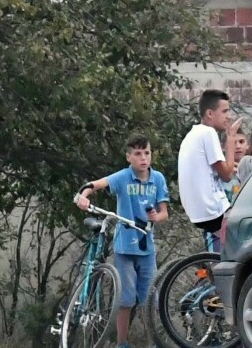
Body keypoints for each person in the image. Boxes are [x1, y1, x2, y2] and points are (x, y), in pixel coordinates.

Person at [75, 134, 169, 348]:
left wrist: (157, 217)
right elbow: (95, 184)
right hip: (124, 248)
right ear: (129, 157)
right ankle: (122, 343)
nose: (143, 158)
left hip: (147, 249)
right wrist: (84, 194)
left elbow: (164, 213)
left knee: (150, 299)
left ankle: (153, 342)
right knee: (125, 299)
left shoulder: (158, 179)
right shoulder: (123, 177)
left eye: (147, 153)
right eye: (137, 154)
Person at [178, 89, 242, 251]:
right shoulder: (208, 133)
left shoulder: (192, 134)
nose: (228, 116)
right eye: (224, 111)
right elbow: (227, 175)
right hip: (212, 210)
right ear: (210, 114)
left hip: (197, 211)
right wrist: (231, 138)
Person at [221, 128, 247, 200]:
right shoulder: (218, 171)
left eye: (241, 142)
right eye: (233, 143)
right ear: (222, 147)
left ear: (247, 145)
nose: (238, 146)